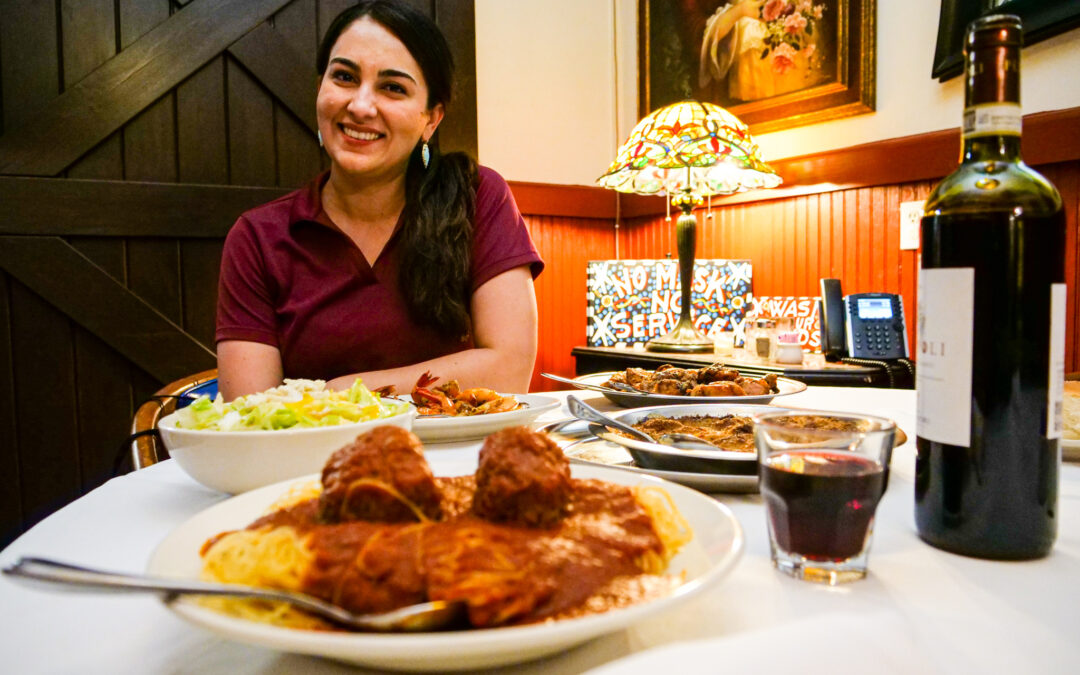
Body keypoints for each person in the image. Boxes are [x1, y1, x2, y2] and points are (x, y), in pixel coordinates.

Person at [215, 0, 542, 401]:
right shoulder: (257, 238)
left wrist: (340, 393)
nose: (360, 106)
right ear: (321, 88)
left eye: (393, 87)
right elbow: (250, 418)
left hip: (459, 460)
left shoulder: (477, 196)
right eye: (345, 77)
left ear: (431, 118)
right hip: (316, 463)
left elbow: (509, 369)